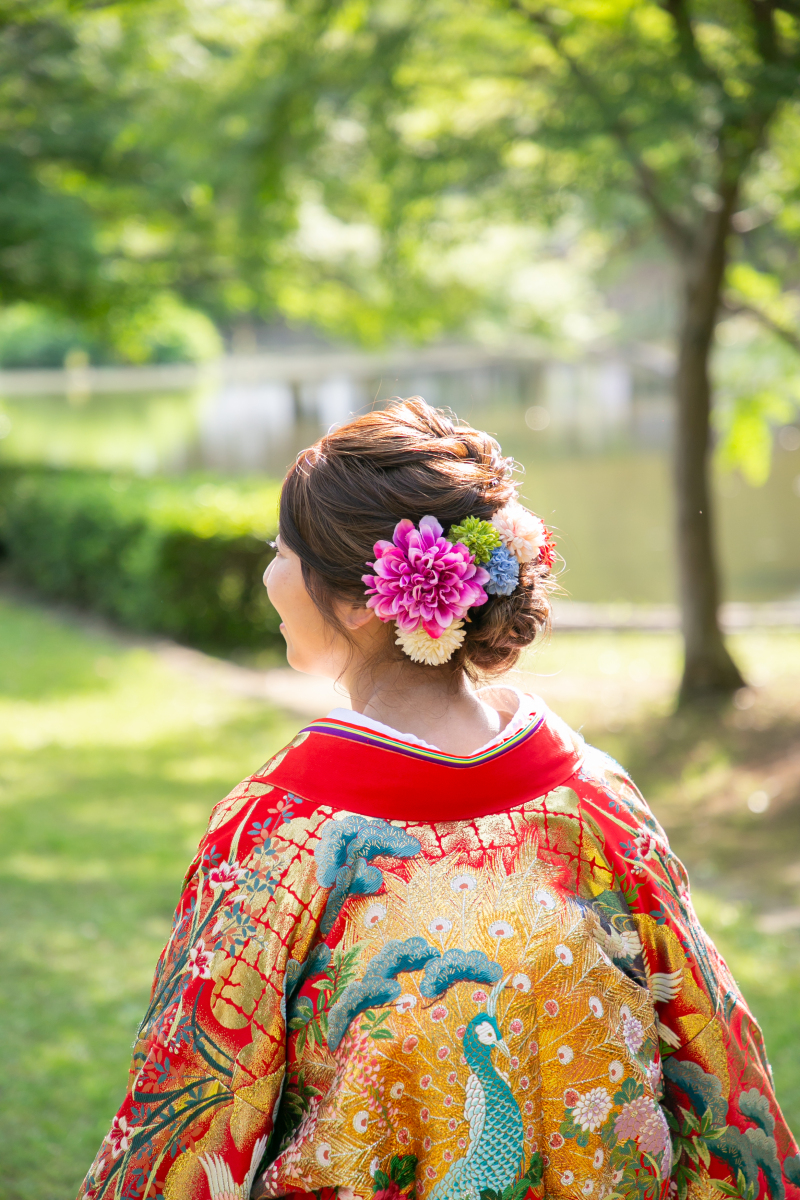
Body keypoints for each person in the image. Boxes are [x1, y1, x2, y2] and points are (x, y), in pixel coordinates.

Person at [80, 398, 799, 1200]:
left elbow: (192, 1111)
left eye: (280, 552)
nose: (268, 575)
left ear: (359, 600)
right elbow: (715, 1067)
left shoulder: (282, 832)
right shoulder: (593, 799)